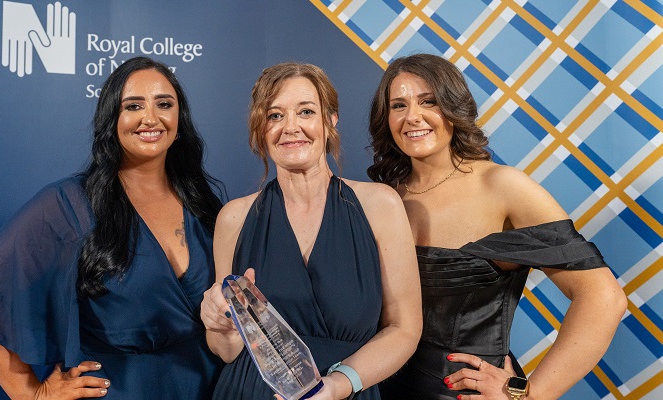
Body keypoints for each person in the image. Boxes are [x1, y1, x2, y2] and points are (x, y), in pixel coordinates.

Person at [0, 56, 224, 399]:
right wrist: (34, 394)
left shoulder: (203, 203)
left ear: (179, 119)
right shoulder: (70, 204)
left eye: (164, 104)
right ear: (111, 119)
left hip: (209, 388)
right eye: (133, 106)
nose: (151, 118)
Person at [367, 53, 626, 399]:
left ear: (454, 107)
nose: (413, 116)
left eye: (429, 101)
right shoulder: (383, 198)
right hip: (382, 390)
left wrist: (528, 394)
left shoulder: (503, 187)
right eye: (399, 105)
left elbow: (604, 297)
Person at [200, 62, 423, 400]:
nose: (291, 127)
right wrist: (220, 325)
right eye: (275, 116)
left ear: (330, 121)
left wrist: (338, 385)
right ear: (260, 129)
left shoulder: (380, 205)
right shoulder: (234, 218)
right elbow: (227, 350)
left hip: (348, 390)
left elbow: (404, 330)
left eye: (306, 111)